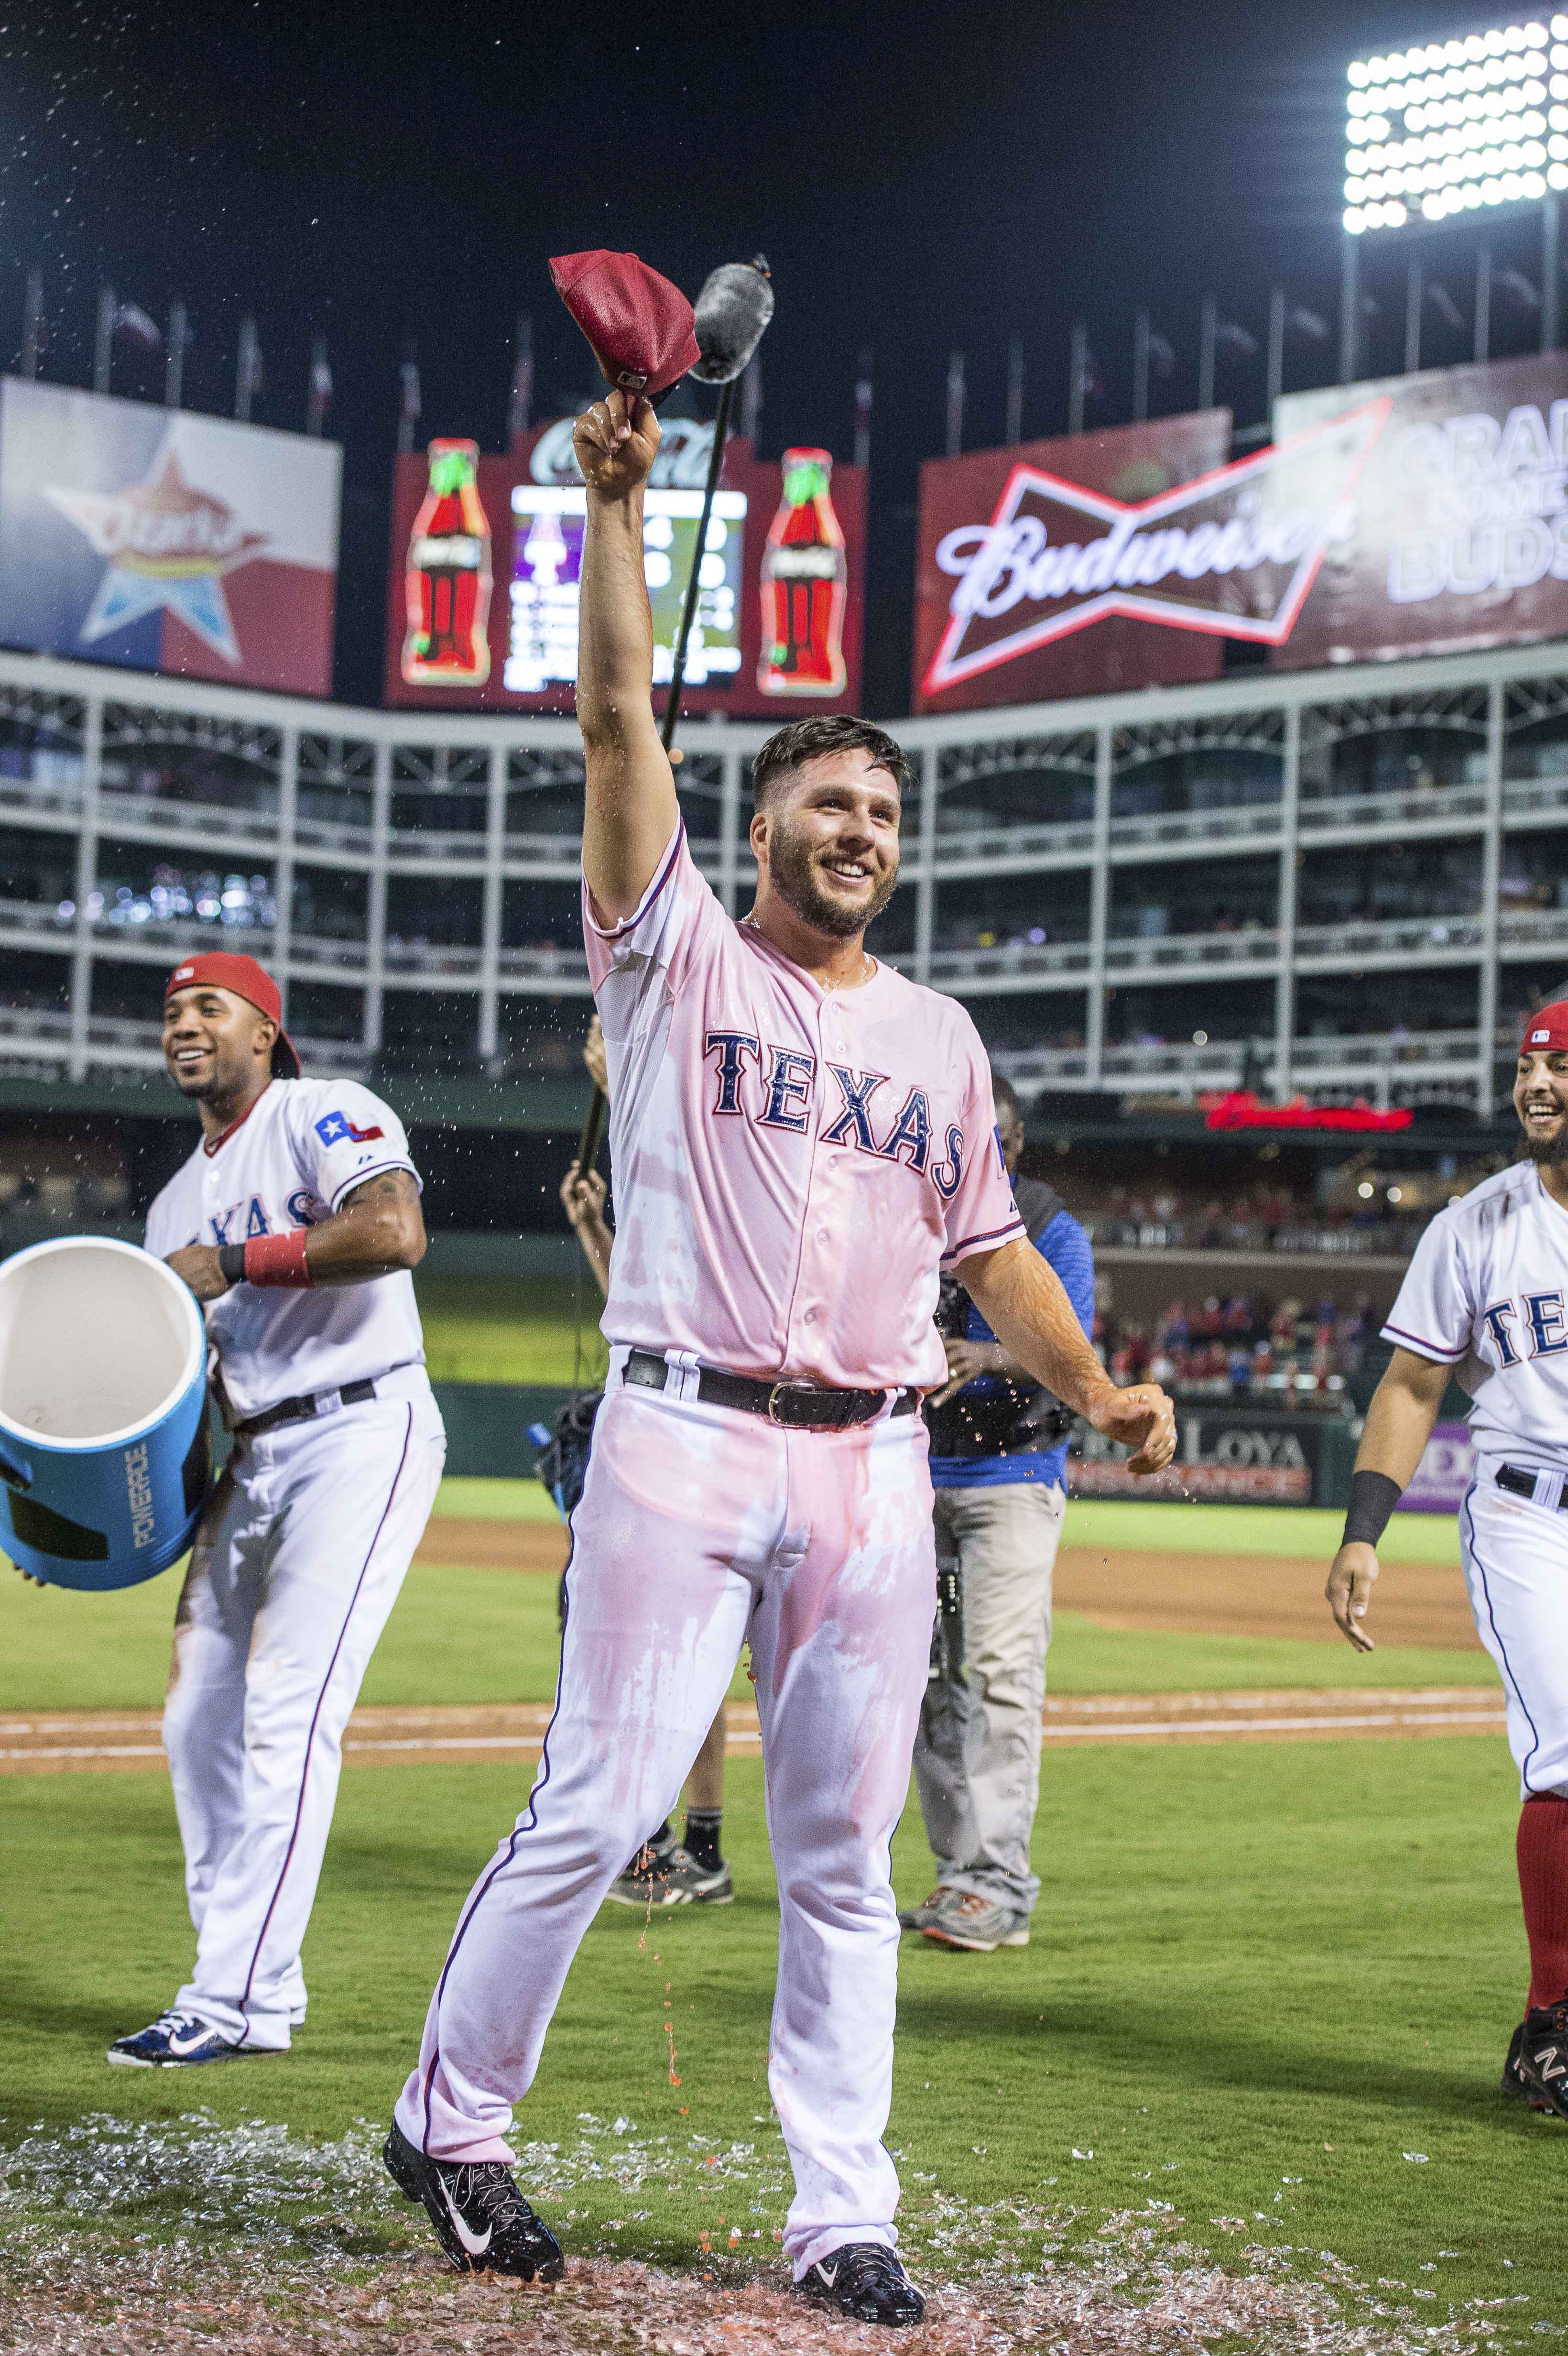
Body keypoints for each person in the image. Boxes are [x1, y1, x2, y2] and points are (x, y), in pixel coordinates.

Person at [381, 386, 1175, 2329]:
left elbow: (988, 1246)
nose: (863, 830)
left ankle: (842, 2207)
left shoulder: (943, 1035)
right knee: (597, 1800)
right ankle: (449, 2112)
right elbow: (614, 722)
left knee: (836, 1854)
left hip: (873, 1470)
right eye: (831, 800)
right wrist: (618, 511)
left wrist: (1095, 1391)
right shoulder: (671, 954)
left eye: (887, 812)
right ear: (760, 825)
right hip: (682, 1432)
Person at [109, 950, 445, 2068]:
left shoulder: (322, 1110)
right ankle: (252, 1982)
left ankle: (228, 1992)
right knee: (197, 1713)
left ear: (265, 1032)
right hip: (252, 1452)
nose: (184, 1024)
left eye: (210, 1006)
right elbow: (184, 1393)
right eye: (171, 1012)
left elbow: (394, 1233)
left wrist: (238, 1261)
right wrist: (90, 1520)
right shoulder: (169, 1205)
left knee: (287, 1708)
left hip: (363, 1427)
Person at [1327, 998, 1568, 2119]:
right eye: (1528, 1069)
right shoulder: (1475, 1225)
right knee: (1564, 1754)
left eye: (1559, 1068)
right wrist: (1363, 1532)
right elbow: (1413, 1385)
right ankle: (1553, 2023)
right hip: (1527, 1514)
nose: (1537, 1087)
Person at [901, 1076, 1093, 1952]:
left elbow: (1075, 1357)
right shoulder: (910, 1219)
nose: (994, 1151)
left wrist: (986, 1350)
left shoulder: (1051, 1229)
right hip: (913, 1482)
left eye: (1004, 1138)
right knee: (929, 1678)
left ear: (1017, 1144)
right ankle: (962, 1877)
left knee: (999, 1669)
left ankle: (1001, 1880)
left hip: (1012, 1479)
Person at [559, 1013, 731, 1907]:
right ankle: (677, 1850)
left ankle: (681, 1849)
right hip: (679, 1419)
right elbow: (650, 1316)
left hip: (725, 1440)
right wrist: (596, 1231)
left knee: (671, 1661)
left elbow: (723, 1194)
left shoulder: (737, 1116)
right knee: (671, 1663)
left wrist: (629, 1089)